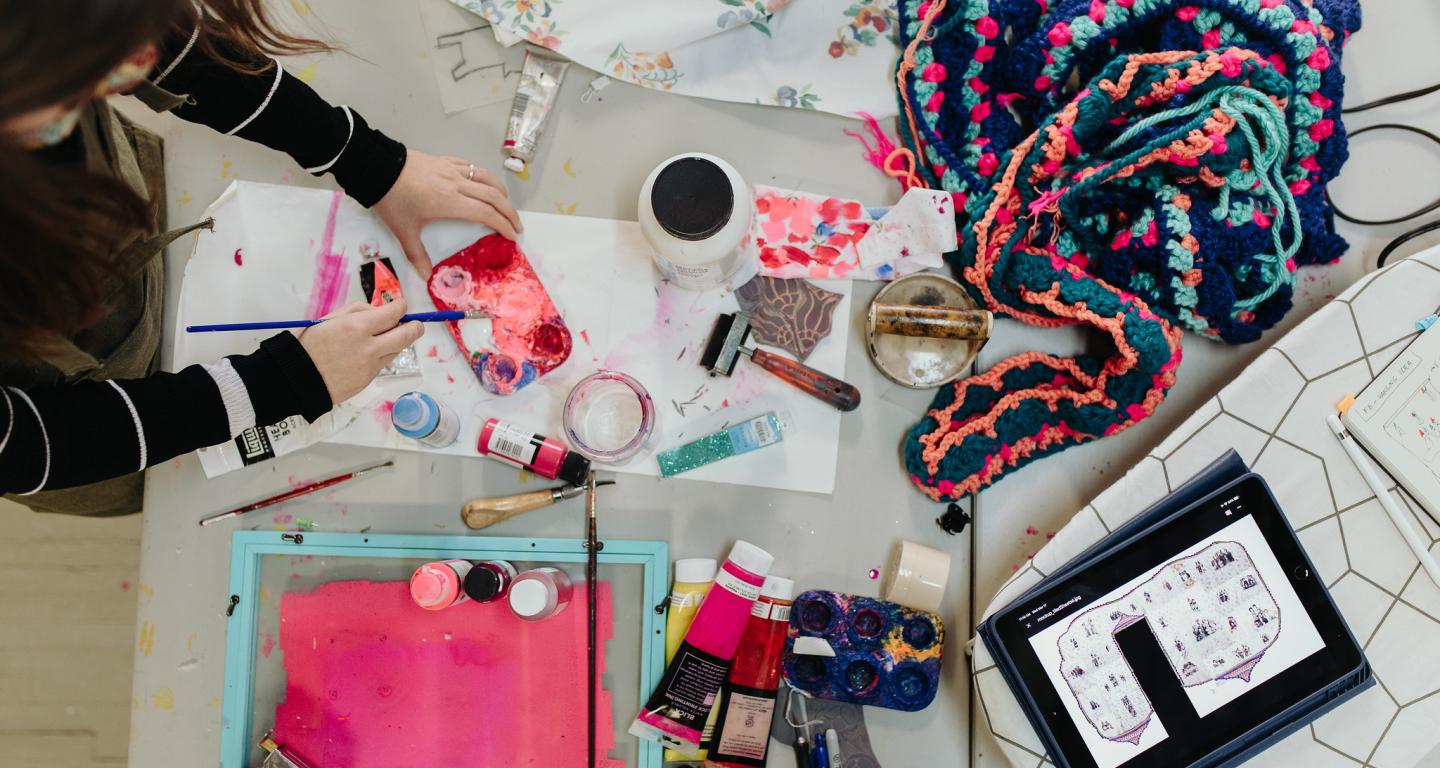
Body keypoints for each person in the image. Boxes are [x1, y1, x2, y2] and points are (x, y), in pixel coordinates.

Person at [0, 0, 521, 514]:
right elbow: (25, 446)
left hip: (134, 242)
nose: (142, 62)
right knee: (170, 497)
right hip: (90, 415)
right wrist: (285, 383)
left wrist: (363, 158)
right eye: (104, 68)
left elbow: (174, 52)